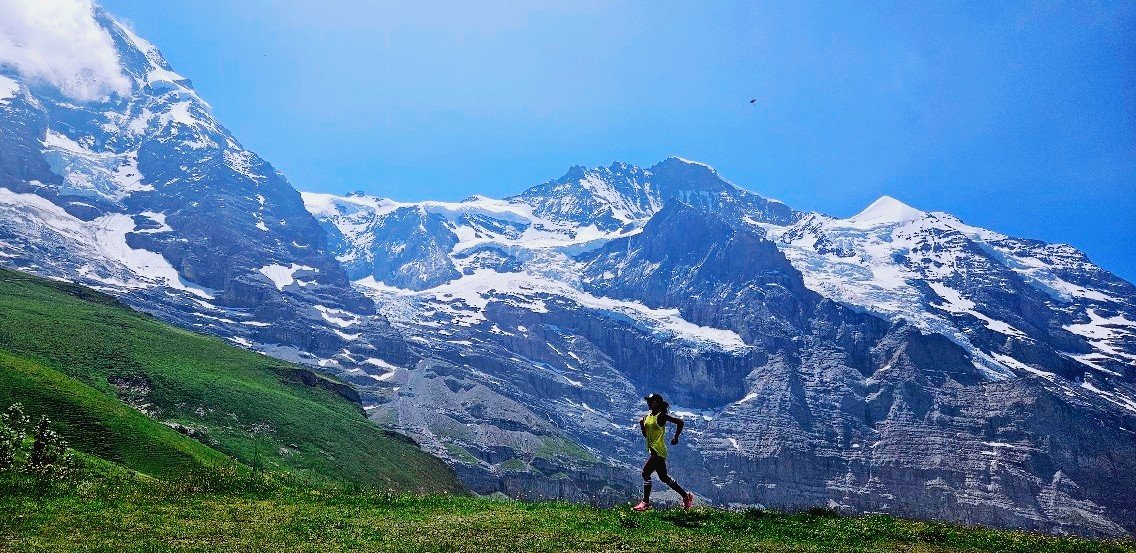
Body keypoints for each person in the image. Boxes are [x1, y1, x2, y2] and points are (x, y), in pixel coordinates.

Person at [633, 392, 695, 511]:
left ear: (656, 403)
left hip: (658, 450)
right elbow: (646, 435)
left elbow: (680, 422)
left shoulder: (661, 416)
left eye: (650, 402)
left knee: (645, 473)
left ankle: (645, 502)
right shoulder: (647, 417)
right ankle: (686, 496)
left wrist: (676, 437)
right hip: (653, 451)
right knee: (664, 478)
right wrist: (642, 426)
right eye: (648, 401)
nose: (648, 403)